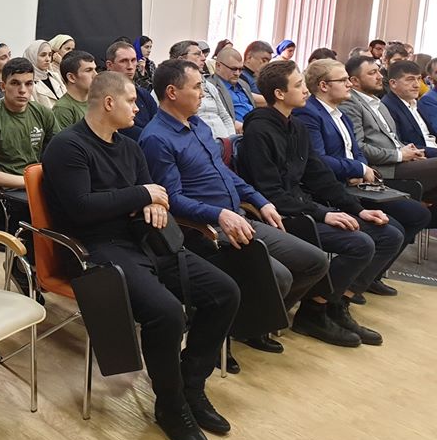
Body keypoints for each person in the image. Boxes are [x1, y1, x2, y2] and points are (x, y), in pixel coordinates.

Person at [42, 72, 238, 440]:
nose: (138, 108)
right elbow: (82, 208)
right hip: (98, 250)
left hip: (144, 241)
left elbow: (157, 196)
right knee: (166, 313)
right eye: (132, 101)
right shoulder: (67, 147)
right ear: (109, 102)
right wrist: (141, 195)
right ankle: (170, 404)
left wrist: (151, 202)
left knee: (224, 292)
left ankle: (189, 384)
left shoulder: (130, 147)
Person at [139, 60, 329, 361]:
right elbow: (170, 199)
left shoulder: (198, 126)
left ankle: (249, 323)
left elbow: (226, 175)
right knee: (280, 277)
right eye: (197, 87)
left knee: (314, 262)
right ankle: (228, 330)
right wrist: (218, 215)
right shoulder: (156, 138)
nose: (204, 93)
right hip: (205, 229)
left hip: (237, 216)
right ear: (172, 92)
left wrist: (260, 200)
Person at [237, 60, 403, 347]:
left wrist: (358, 209)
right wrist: (324, 214)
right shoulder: (259, 131)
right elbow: (271, 193)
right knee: (360, 244)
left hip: (304, 206)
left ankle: (337, 304)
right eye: (299, 85)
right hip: (281, 214)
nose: (306, 90)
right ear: (279, 93)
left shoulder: (296, 126)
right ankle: (314, 311)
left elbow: (320, 177)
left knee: (389, 235)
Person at [295, 59, 430, 296]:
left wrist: (362, 168)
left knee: (415, 216)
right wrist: (357, 169)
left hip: (357, 184)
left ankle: (360, 283)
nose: (349, 84)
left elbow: (356, 150)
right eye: (343, 80)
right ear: (324, 85)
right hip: (329, 189)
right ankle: (337, 294)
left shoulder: (339, 113)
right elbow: (318, 160)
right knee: (392, 230)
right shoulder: (309, 113)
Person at [0, 57, 57, 297]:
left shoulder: (42, 113)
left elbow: (59, 153)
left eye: (29, 84)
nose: (23, 90)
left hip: (35, 183)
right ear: (2, 86)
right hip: (6, 191)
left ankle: (55, 269)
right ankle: (24, 268)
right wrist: (28, 182)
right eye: (15, 83)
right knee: (48, 208)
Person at [340, 55, 437, 194]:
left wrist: (411, 153)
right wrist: (400, 155)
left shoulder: (378, 103)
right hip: (384, 168)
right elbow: (358, 146)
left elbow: (394, 139)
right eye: (372, 73)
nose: (380, 76)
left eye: (378, 71)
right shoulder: (351, 104)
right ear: (354, 81)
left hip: (401, 160)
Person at [168, 40, 236, 139]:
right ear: (181, 59)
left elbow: (225, 117)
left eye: (203, 54)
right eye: (197, 54)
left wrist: (231, 140)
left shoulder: (209, 86)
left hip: (225, 141)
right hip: (199, 142)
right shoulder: (170, 89)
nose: (204, 58)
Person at [381, 59, 437, 154]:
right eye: (410, 79)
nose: (417, 85)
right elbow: (400, 143)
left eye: (418, 79)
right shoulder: (387, 106)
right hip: (421, 157)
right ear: (393, 83)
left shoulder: (417, 103)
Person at [105, 40, 158, 139]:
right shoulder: (103, 97)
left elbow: (159, 123)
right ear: (109, 65)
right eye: (123, 61)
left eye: (133, 60)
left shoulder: (143, 94)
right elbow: (122, 129)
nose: (130, 67)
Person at [209, 46, 254, 125]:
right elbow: (212, 117)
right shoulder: (210, 86)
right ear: (218, 66)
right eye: (233, 69)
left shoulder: (244, 84)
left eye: (240, 69)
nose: (237, 73)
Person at [52, 50, 96, 129]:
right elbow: (64, 137)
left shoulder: (96, 101)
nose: (95, 75)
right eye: (88, 70)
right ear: (71, 77)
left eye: (94, 69)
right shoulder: (63, 109)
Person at [24, 39, 64, 109]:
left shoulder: (55, 76)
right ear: (32, 57)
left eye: (50, 55)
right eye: (43, 55)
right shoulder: (27, 82)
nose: (48, 59)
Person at [241, 40, 273, 105]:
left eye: (268, 61)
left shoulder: (262, 77)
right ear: (249, 57)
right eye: (264, 60)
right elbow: (245, 95)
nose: (267, 65)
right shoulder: (240, 75)